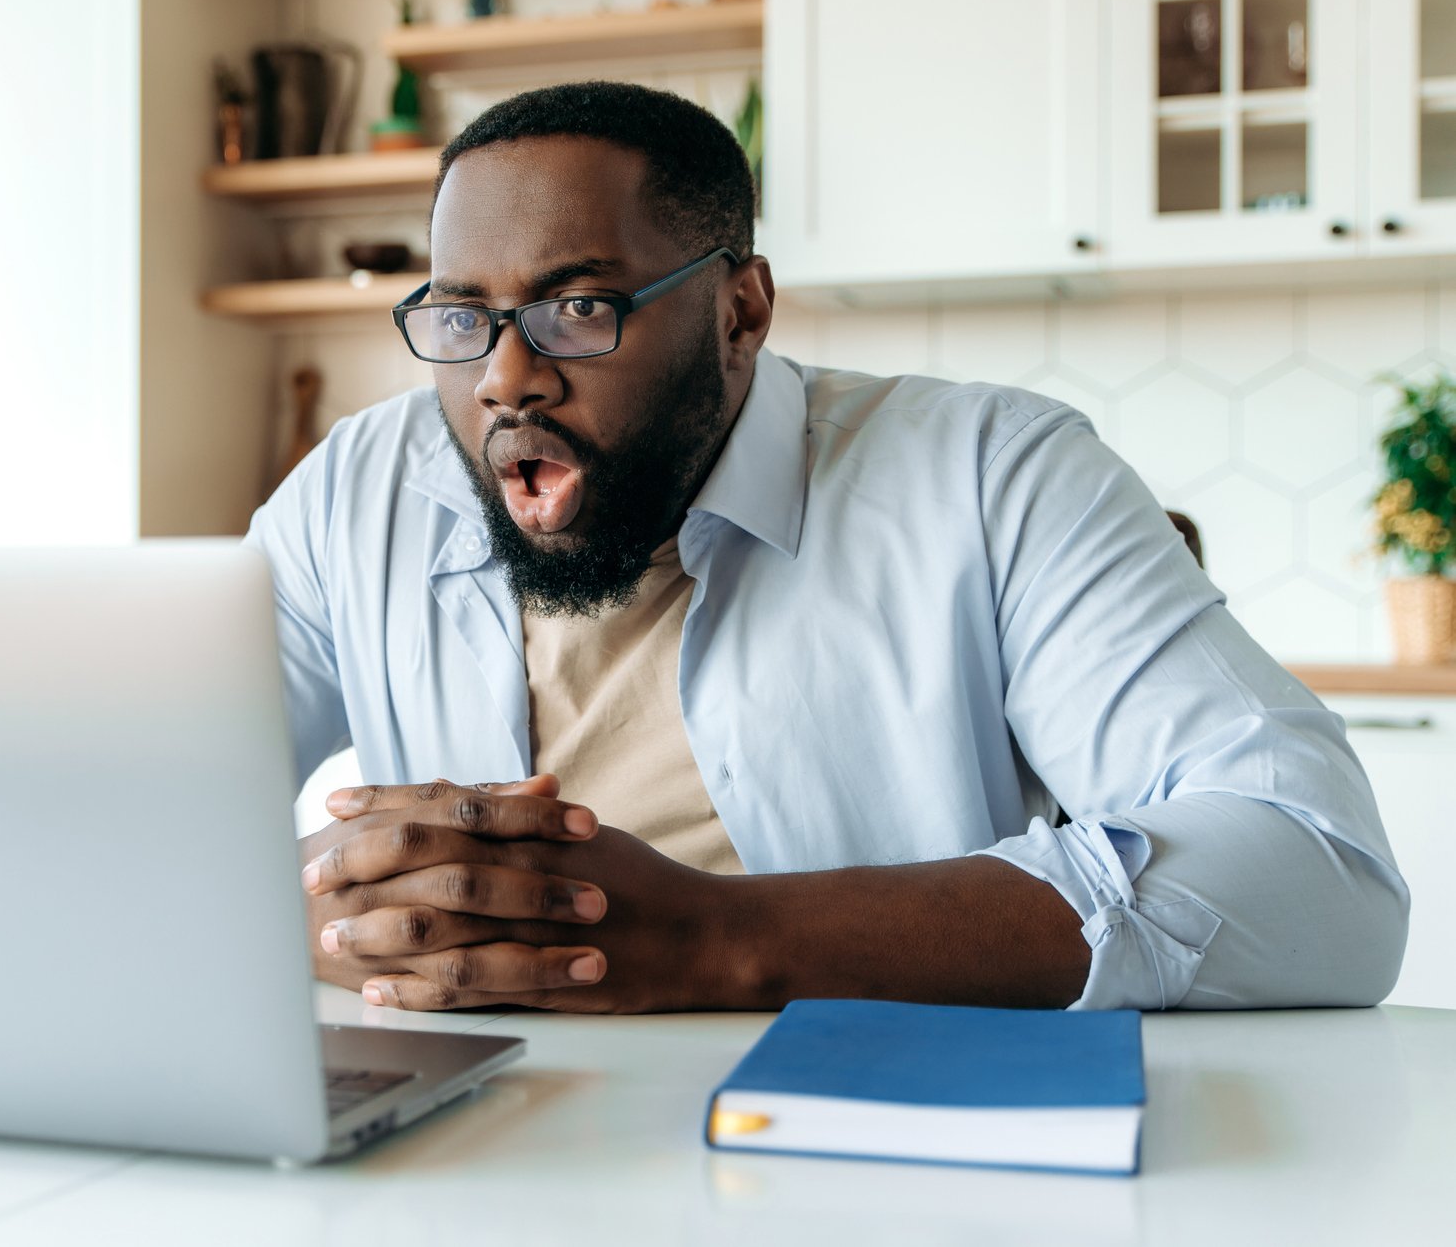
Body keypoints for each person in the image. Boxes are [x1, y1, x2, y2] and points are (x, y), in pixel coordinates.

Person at [246, 80, 1407, 1014]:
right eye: (462, 319)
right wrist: (330, 908)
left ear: (740, 311)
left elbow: (1319, 870)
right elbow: (144, 807)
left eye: (579, 306)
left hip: (867, 1143)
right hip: (476, 1146)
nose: (505, 375)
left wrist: (718, 939)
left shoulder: (992, 471)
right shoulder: (362, 486)